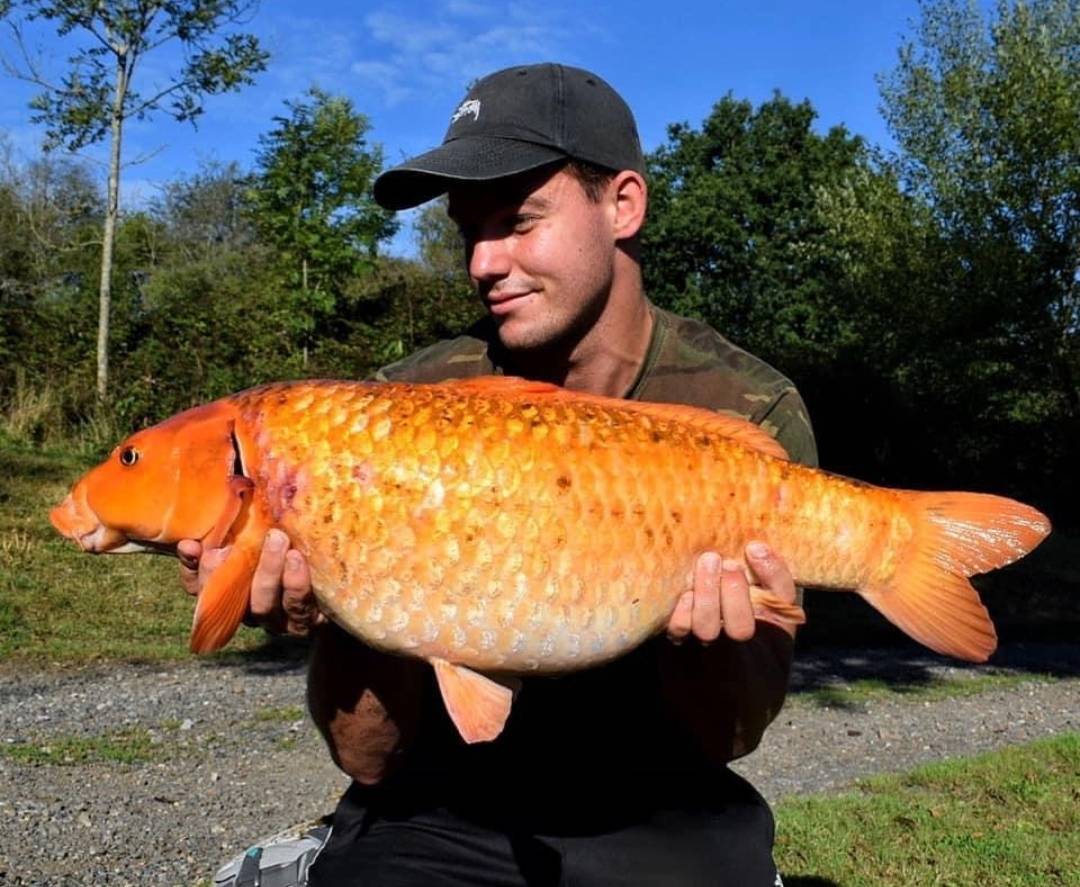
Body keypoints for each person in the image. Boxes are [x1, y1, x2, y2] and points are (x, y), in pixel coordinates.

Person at [184, 62, 817, 886]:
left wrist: (710, 647)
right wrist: (336, 611)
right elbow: (367, 756)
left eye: (519, 221)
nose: (483, 261)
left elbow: (730, 735)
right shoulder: (399, 403)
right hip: (445, 799)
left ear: (624, 204)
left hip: (658, 796)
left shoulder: (744, 408)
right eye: (466, 232)